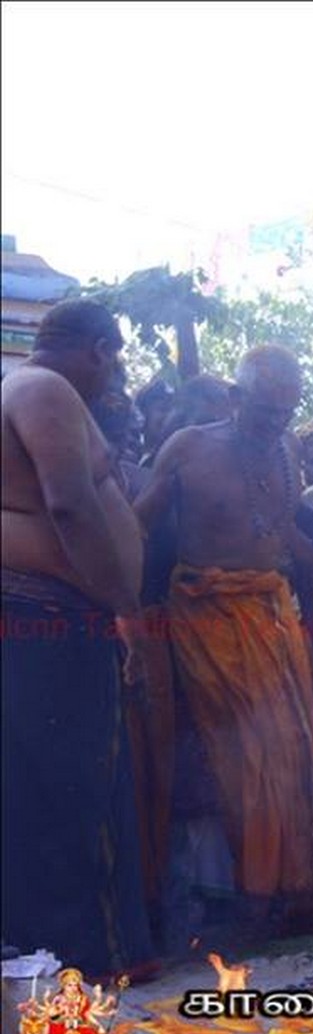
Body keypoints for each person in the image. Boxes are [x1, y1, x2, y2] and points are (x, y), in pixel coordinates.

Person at [137, 345, 313, 937]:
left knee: (296, 747)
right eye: (265, 411)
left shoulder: (286, 447)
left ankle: (298, 897)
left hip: (272, 609)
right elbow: (138, 525)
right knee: (247, 753)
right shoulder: (187, 448)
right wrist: (122, 606)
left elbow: (282, 527)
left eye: (286, 412)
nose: (275, 423)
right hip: (208, 614)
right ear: (234, 398)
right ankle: (253, 899)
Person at [2, 299, 156, 982]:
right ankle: (84, 959)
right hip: (56, 623)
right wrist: (125, 608)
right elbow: (68, 503)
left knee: (42, 790)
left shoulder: (21, 389)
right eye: (115, 358)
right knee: (77, 791)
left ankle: (49, 955)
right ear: (101, 349)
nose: (114, 374)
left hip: (42, 621)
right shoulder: (45, 388)